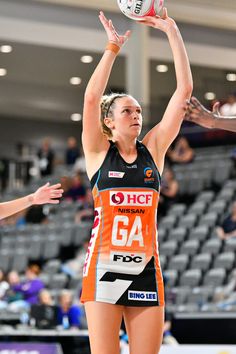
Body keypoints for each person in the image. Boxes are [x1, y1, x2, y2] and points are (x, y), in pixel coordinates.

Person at [80, 9, 192, 354]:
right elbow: (90, 99)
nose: (136, 115)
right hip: (103, 267)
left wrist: (172, 30)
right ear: (109, 122)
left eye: (139, 111)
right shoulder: (99, 154)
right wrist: (112, 49)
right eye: (127, 111)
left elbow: (184, 91)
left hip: (146, 268)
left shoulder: (153, 151)